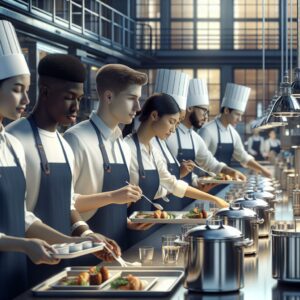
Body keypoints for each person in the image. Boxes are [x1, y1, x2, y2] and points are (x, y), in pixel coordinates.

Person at [7, 54, 121, 284]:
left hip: (60, 265)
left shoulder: (63, 143)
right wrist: (67, 242)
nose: (76, 107)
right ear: (46, 92)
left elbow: (68, 204)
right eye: (69, 97)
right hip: (26, 262)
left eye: (79, 99)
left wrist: (86, 235)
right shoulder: (14, 137)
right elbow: (19, 215)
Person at [0, 20, 88, 299]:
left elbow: (22, 216)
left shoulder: (10, 144)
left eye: (27, 89)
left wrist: (76, 241)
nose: (26, 98)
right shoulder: (19, 136)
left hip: (17, 272)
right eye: (17, 89)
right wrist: (24, 246)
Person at [64, 64, 149, 253]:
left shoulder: (121, 143)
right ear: (108, 97)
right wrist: (112, 196)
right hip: (87, 251)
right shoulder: (75, 139)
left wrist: (126, 221)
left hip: (119, 248)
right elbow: (66, 202)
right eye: (132, 99)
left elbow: (115, 204)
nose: (138, 107)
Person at [124, 93, 228, 227]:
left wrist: (214, 199)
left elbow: (173, 184)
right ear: (154, 116)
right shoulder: (126, 147)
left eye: (176, 123)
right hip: (130, 226)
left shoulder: (153, 151)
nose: (173, 130)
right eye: (171, 122)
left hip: (145, 224)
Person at [165, 77, 246, 198]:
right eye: (204, 111)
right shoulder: (167, 135)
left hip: (187, 199)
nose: (206, 117)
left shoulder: (195, 137)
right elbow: (163, 172)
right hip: (166, 201)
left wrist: (231, 172)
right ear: (190, 108)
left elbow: (210, 163)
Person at [199, 83, 272, 178]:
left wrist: (262, 170)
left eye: (241, 115)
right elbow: (199, 160)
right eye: (237, 114)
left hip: (226, 180)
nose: (240, 119)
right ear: (226, 111)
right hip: (207, 183)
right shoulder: (207, 130)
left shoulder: (233, 133)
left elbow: (243, 157)